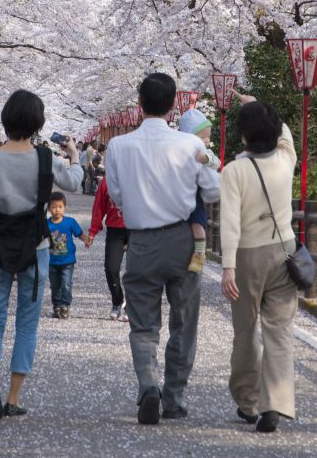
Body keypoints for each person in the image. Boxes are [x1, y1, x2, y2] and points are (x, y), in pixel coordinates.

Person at [105, 73, 220, 425]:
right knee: (183, 321)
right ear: (174, 106)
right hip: (182, 240)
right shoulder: (191, 146)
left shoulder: (118, 147)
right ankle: (173, 398)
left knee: (142, 324)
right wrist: (209, 165)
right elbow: (214, 193)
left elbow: (117, 196)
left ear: (139, 105)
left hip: (140, 241)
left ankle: (148, 385)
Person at [0, 89, 82, 420]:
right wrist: (73, 154)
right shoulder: (44, 159)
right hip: (36, 247)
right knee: (27, 322)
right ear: (38, 123)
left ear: (4, 118)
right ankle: (13, 398)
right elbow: (75, 181)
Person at [220, 94, 298, 435]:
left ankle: (248, 401)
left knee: (245, 330)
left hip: (247, 254)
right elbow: (286, 133)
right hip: (284, 251)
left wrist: (228, 267)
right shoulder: (286, 159)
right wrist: (262, 104)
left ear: (244, 136)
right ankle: (275, 405)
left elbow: (229, 222)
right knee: (279, 332)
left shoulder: (234, 170)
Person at [178, 107, 219, 273]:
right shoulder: (179, 150)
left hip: (195, 194)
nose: (207, 140)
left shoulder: (205, 152)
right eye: (203, 137)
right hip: (179, 195)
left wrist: (206, 159)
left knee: (197, 224)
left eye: (208, 136)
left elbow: (217, 163)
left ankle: (200, 253)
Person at [87, 175, 129, 321]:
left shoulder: (139, 173)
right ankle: (117, 301)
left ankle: (132, 307)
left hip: (137, 229)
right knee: (111, 269)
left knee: (136, 271)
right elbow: (99, 206)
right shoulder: (107, 180)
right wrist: (92, 231)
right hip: (115, 230)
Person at [47, 191, 89, 319]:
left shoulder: (70, 222)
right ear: (49, 208)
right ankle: (56, 305)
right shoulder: (46, 224)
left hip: (67, 261)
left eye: (60, 207)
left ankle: (65, 305)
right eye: (54, 207)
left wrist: (87, 240)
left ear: (64, 207)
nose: (57, 210)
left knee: (66, 283)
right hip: (51, 261)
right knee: (54, 285)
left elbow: (79, 234)